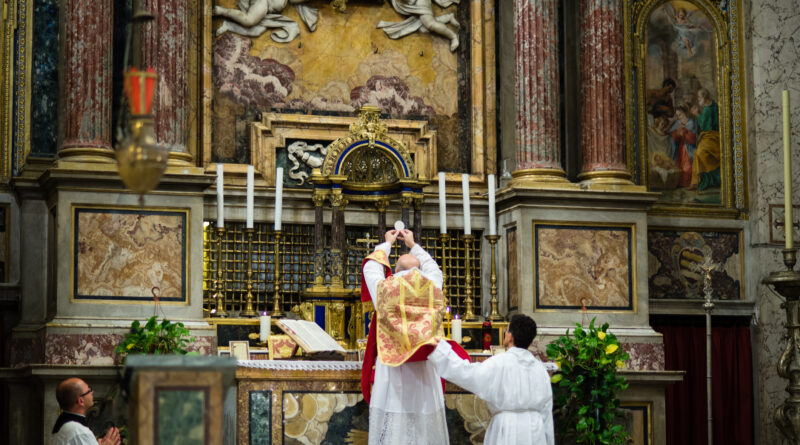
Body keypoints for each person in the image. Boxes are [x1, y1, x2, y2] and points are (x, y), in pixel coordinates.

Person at [361, 229, 467, 444]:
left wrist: (387, 244)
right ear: (419, 270)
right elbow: (434, 268)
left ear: (394, 270)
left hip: (393, 369)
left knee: (393, 426)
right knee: (423, 428)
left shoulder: (386, 288)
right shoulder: (433, 286)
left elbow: (370, 268)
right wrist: (413, 244)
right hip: (424, 371)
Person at [428, 314, 555, 445]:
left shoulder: (500, 363)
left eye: (507, 330)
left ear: (510, 336)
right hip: (536, 432)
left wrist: (439, 350)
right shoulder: (541, 370)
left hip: (507, 430)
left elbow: (467, 374)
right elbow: (547, 415)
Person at [51, 378, 120, 445]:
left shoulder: (65, 423)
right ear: (81, 401)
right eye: (89, 391)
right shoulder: (79, 431)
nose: (92, 392)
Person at [689, 87, 721, 191]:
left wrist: (697, 114)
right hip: (712, 136)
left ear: (704, 97)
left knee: (699, 154)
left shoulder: (707, 109)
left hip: (712, 137)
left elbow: (705, 127)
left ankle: (700, 181)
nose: (698, 100)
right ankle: (697, 181)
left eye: (699, 97)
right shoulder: (713, 105)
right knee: (697, 153)